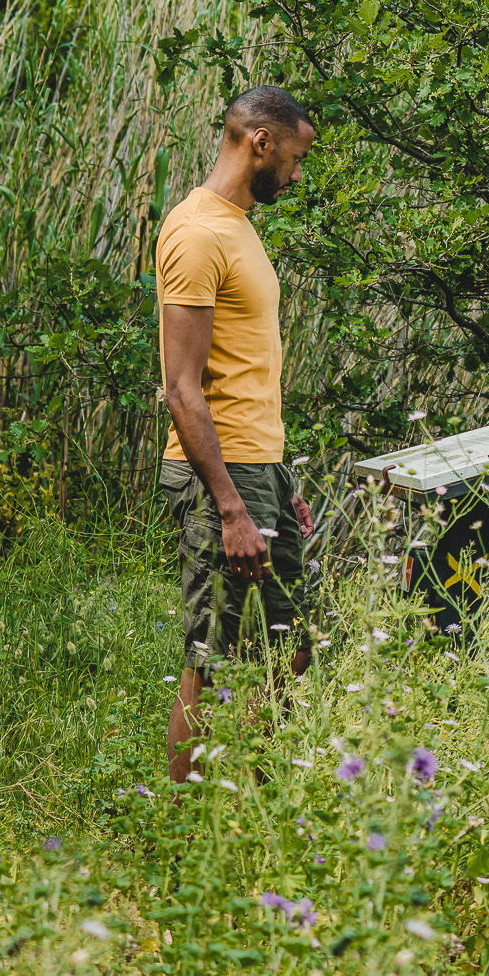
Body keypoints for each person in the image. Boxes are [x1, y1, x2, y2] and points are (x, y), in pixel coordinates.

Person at [157, 84, 317, 781]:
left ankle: (247, 792)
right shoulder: (197, 233)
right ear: (261, 142)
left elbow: (247, 370)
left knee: (292, 643)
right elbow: (181, 388)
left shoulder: (238, 225)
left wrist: (279, 484)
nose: (296, 175)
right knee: (210, 655)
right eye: (294, 158)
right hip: (220, 475)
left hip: (259, 466)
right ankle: (185, 826)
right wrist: (230, 507)